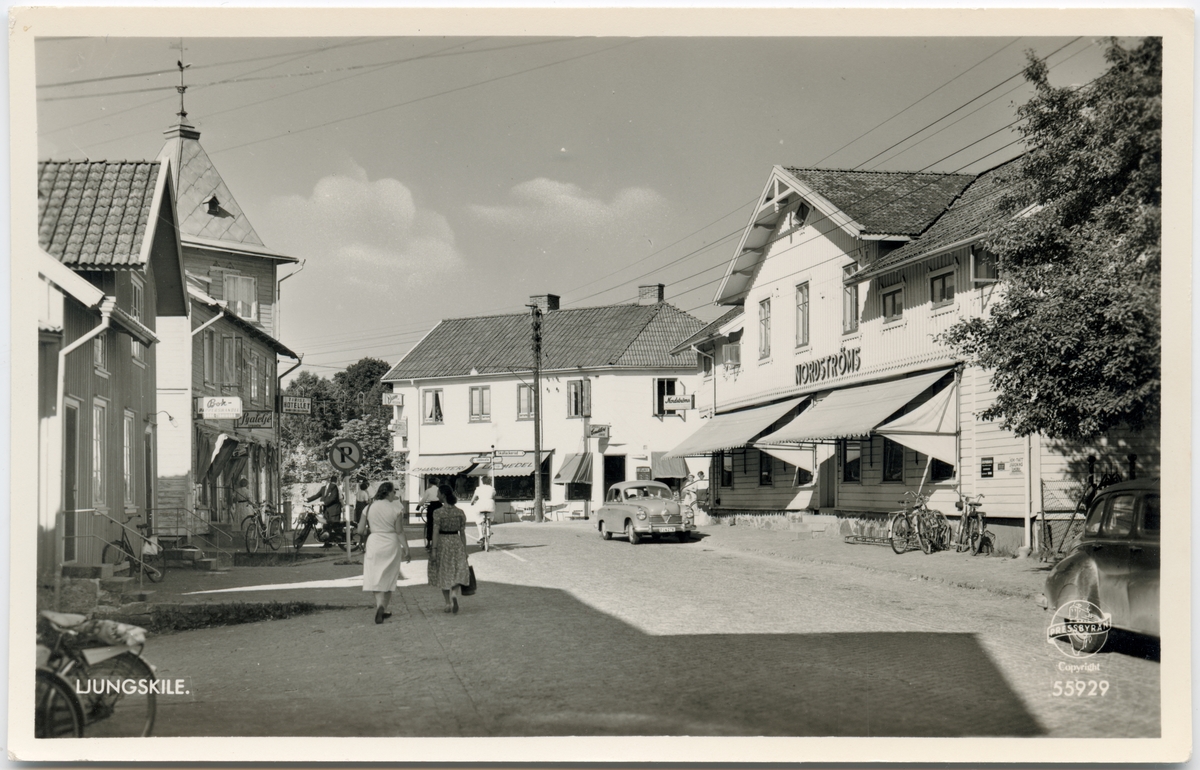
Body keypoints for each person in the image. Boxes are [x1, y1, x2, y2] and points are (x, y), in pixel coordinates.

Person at [358, 482, 411, 624]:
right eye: (394, 491)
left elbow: (360, 530)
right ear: (387, 492)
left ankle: (379, 606)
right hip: (391, 542)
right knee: (389, 575)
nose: (395, 494)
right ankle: (383, 607)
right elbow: (399, 531)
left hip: (374, 542)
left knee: (375, 576)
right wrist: (406, 547)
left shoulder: (368, 508)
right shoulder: (396, 508)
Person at [428, 484, 470, 614]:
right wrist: (465, 549)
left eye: (439, 493)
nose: (437, 496)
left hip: (443, 542)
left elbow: (435, 531)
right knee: (457, 570)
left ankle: (447, 603)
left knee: (443, 572)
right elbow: (462, 533)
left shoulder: (438, 512)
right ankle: (454, 595)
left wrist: (433, 549)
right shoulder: (460, 512)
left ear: (443, 495)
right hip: (456, 542)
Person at [471, 479, 496, 546]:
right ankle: (489, 530)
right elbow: (494, 498)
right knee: (490, 517)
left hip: (481, 504)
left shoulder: (478, 489)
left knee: (478, 519)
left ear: (482, 482)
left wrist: (472, 502)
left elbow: (473, 498)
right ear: (490, 482)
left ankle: (481, 535)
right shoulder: (492, 489)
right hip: (490, 504)